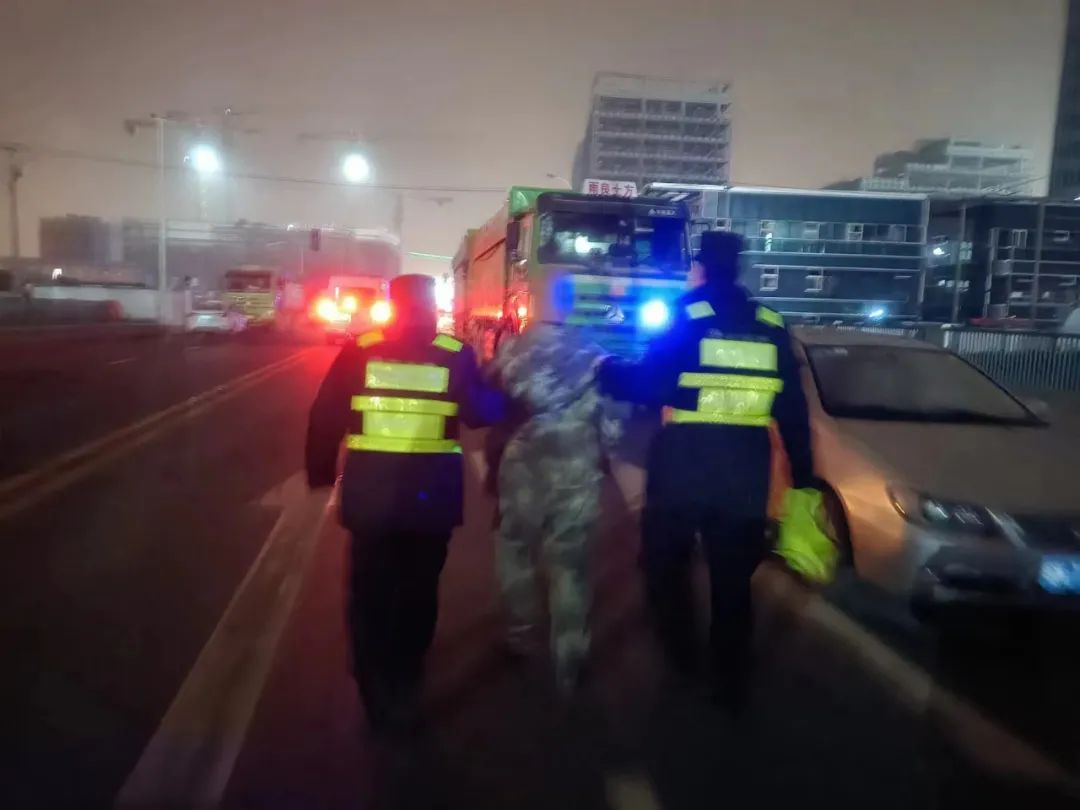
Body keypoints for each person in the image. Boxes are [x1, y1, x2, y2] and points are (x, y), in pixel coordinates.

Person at [598, 231, 817, 707]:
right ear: (738, 268)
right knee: (733, 580)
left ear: (701, 268)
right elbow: (794, 411)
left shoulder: (686, 315)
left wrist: (606, 371)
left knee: (664, 565)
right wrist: (803, 479)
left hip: (684, 465)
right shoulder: (771, 324)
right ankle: (730, 679)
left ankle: (683, 657)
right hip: (745, 470)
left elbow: (650, 384)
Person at [305, 273, 504, 731]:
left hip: (371, 494)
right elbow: (480, 412)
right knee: (418, 588)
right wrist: (505, 392)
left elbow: (326, 413)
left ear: (392, 306)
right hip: (429, 498)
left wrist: (320, 473)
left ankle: (370, 675)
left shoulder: (360, 349)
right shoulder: (454, 353)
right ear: (431, 306)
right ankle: (405, 675)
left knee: (369, 588)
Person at [490, 280, 620, 694]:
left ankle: (520, 636)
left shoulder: (512, 349)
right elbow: (612, 423)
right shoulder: (594, 353)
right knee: (571, 564)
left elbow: (490, 407)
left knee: (517, 549)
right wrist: (602, 447)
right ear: (570, 305)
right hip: (576, 467)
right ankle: (569, 656)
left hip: (522, 467)